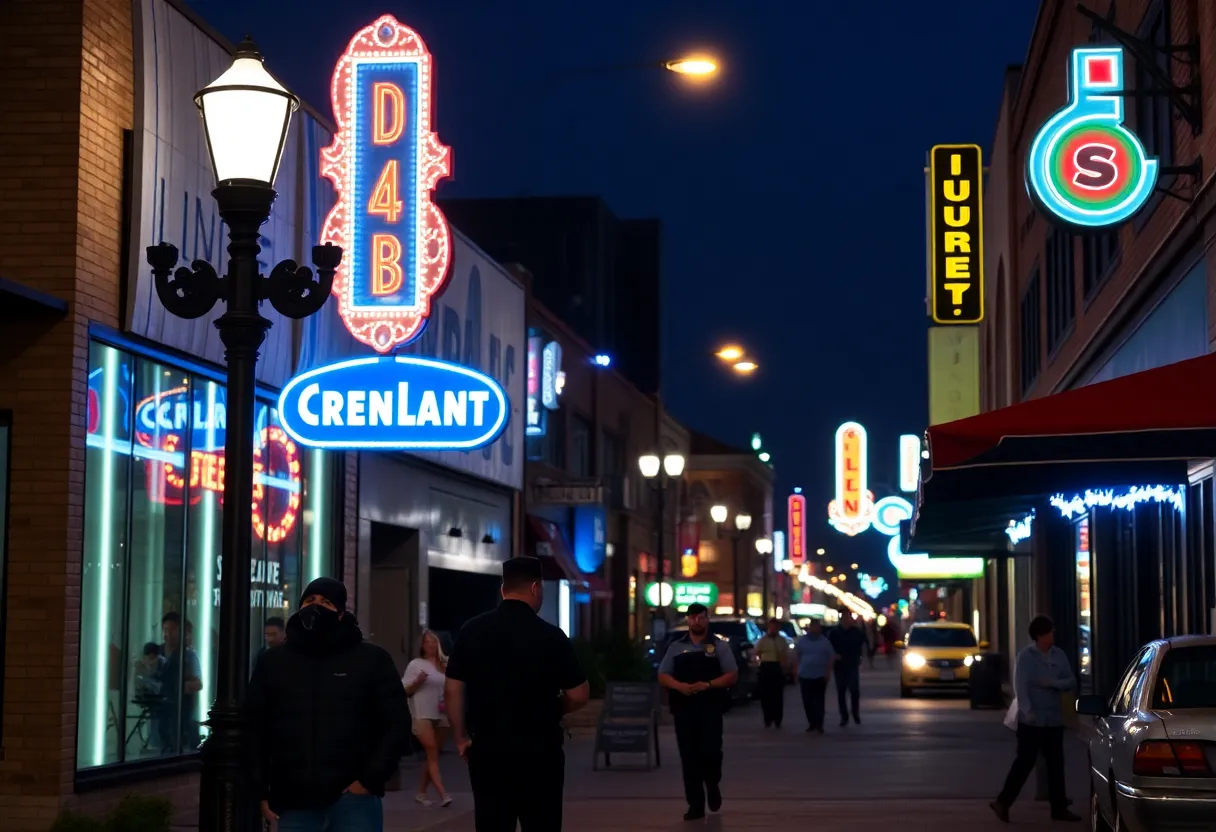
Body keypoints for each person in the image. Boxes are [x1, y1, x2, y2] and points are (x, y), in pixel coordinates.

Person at [245, 577, 409, 832]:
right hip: (293, 801)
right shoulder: (273, 663)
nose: (316, 606)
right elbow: (256, 728)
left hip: (353, 800)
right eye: (310, 600)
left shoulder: (371, 659)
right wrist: (260, 791)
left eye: (326, 602)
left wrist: (369, 779)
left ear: (341, 613)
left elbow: (395, 723)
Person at [445, 556, 590, 832]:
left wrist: (461, 738)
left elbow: (452, 689)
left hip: (488, 751)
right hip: (540, 752)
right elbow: (580, 693)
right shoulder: (551, 636)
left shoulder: (472, 631)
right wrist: (557, 708)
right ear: (536, 588)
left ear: (503, 589)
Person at [990, 615, 1081, 824]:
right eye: (1050, 632)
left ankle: (1059, 808)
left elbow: (1071, 681)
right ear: (1040, 635)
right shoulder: (1026, 657)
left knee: (1056, 764)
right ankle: (1003, 802)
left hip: (1054, 719)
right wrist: (1028, 711)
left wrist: (1052, 683)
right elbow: (1020, 687)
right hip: (1031, 721)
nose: (1053, 635)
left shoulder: (1059, 655)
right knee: (1024, 762)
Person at [657, 603, 738, 820]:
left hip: (711, 708)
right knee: (688, 757)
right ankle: (695, 804)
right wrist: (679, 686)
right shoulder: (675, 647)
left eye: (700, 618)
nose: (696, 622)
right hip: (683, 710)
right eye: (692, 618)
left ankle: (712, 784)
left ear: (707, 619)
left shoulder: (718, 646)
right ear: (687, 620)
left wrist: (709, 684)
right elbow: (663, 674)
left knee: (711, 752)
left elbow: (732, 674)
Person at [404, 628, 453, 808]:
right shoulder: (416, 664)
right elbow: (405, 690)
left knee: (432, 756)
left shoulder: (445, 663)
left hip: (441, 713)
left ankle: (421, 793)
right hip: (421, 713)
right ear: (422, 646)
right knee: (431, 751)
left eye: (434, 641)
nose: (431, 644)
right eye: (427, 642)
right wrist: (418, 682)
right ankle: (443, 794)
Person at [157, 612, 202, 753]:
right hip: (168, 712)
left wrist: (177, 686)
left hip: (181, 715)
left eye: (172, 630)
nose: (167, 634)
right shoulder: (162, 653)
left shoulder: (188, 655)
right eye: (165, 630)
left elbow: (197, 684)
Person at [794, 618, 837, 733]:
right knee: (807, 701)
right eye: (813, 627)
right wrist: (795, 672)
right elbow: (796, 656)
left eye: (817, 627)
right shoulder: (802, 641)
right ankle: (811, 722)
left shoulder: (824, 642)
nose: (815, 629)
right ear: (809, 628)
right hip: (805, 675)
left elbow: (831, 657)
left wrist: (828, 672)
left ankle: (819, 724)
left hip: (820, 675)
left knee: (819, 701)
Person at [828, 613, 867, 726]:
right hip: (839, 665)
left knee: (854, 691)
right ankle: (844, 716)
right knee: (841, 692)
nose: (846, 620)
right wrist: (834, 655)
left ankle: (855, 714)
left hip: (852, 664)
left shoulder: (856, 632)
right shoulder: (834, 633)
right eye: (844, 618)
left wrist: (861, 657)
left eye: (848, 618)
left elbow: (863, 643)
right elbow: (829, 646)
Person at [755, 618, 792, 728]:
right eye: (771, 627)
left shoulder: (782, 640)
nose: (773, 629)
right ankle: (767, 719)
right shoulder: (762, 640)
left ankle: (777, 719)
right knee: (766, 695)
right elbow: (757, 652)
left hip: (777, 667)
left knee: (778, 695)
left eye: (775, 627)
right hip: (766, 667)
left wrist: (785, 669)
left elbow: (785, 655)